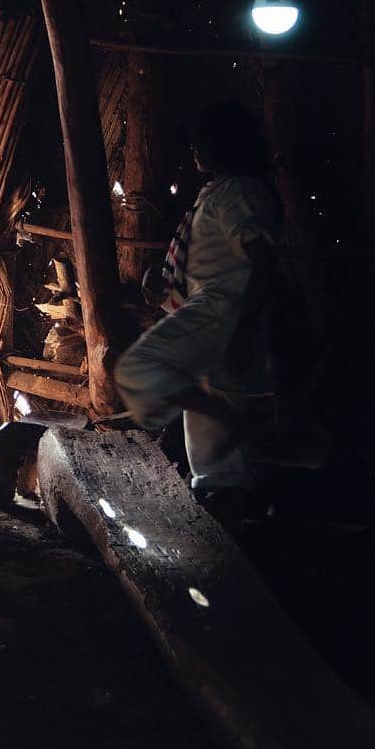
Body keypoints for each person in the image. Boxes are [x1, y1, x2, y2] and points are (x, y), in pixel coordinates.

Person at [113, 100, 280, 521]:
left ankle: (225, 462)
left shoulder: (239, 191)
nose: (193, 150)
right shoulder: (221, 191)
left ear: (222, 146)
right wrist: (169, 280)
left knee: (139, 368)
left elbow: (263, 256)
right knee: (213, 398)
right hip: (215, 307)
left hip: (223, 309)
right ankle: (224, 491)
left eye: (200, 142)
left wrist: (242, 325)